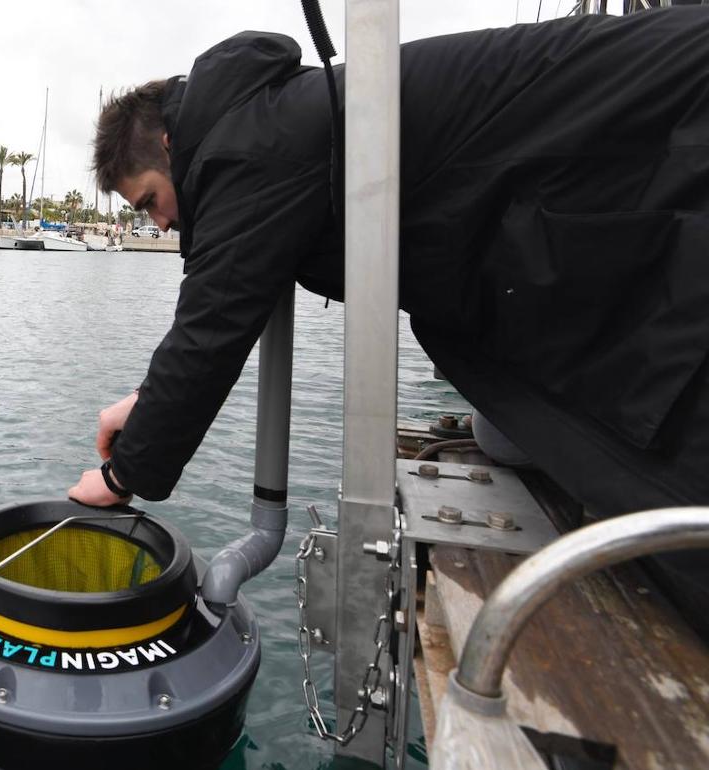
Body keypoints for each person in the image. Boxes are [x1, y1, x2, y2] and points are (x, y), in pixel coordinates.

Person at [67, 9, 709, 621]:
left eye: (151, 199)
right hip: (617, 155)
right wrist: (148, 399)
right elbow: (218, 300)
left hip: (661, 129)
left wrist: (124, 475)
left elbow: (211, 327)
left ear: (172, 145)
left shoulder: (249, 143)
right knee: (508, 434)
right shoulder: (264, 124)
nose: (160, 221)